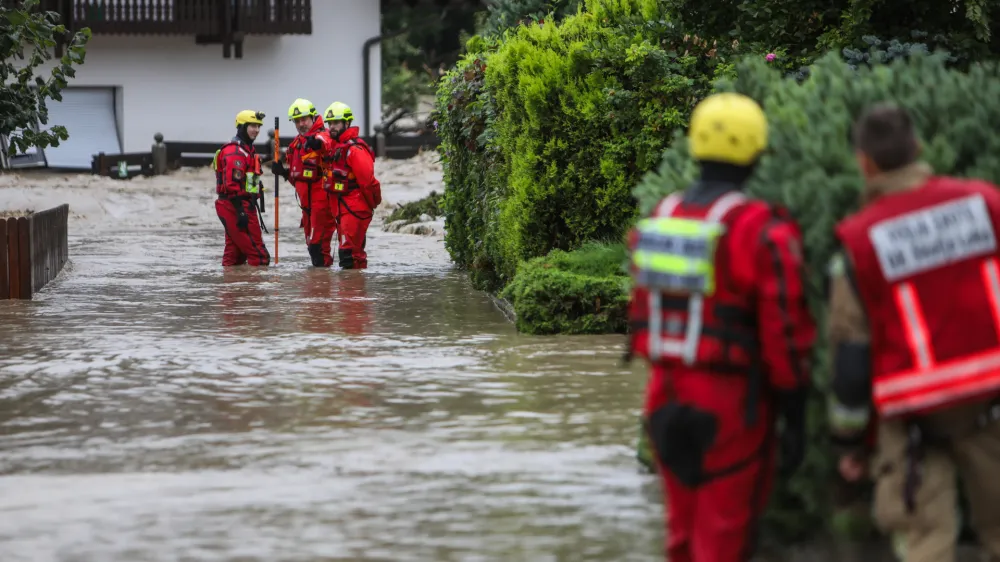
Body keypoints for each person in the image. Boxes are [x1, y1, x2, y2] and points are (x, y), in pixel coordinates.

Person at [626, 92, 816, 561]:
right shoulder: (761, 228)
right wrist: (795, 413)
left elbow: (642, 304)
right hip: (731, 406)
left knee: (681, 537)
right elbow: (785, 330)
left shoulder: (660, 218)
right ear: (756, 151)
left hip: (664, 395)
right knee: (724, 539)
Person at [827, 102, 1000, 562]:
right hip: (993, 401)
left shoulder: (859, 242)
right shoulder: (986, 203)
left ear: (864, 163)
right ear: (919, 148)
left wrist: (849, 443)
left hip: (911, 420)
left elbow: (850, 359)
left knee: (926, 546)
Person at [271, 98, 336, 267]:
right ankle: (319, 285)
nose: (301, 124)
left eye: (304, 119)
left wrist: (317, 142)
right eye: (297, 121)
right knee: (311, 246)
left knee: (318, 246)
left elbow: (327, 143)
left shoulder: (323, 135)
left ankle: (323, 286)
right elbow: (298, 178)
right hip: (305, 205)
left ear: (313, 118)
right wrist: (284, 172)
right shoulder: (296, 144)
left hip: (321, 202)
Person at [322, 101, 381, 269]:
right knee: (348, 254)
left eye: (336, 123)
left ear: (347, 123)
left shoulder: (354, 150)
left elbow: (369, 182)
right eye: (330, 123)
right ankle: (349, 292)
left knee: (350, 254)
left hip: (355, 208)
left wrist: (372, 203)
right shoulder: (336, 147)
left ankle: (353, 292)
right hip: (342, 208)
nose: (332, 127)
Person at [214, 110, 270, 267]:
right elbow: (232, 186)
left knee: (234, 255)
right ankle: (253, 290)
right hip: (235, 205)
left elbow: (249, 180)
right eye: (252, 126)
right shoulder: (235, 152)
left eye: (258, 126)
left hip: (241, 204)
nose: (257, 130)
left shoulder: (247, 150)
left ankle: (233, 289)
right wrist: (241, 212)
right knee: (260, 257)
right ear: (242, 127)